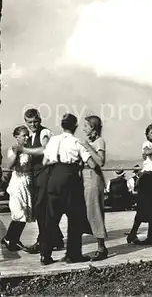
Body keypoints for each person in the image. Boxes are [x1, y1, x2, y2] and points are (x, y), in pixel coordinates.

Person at [40, 113, 97, 265]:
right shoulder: (77, 141)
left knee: (51, 218)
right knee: (75, 218)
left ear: (62, 125)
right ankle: (73, 254)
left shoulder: (53, 140)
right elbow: (92, 164)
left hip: (54, 177)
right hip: (70, 178)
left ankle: (45, 255)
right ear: (75, 126)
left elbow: (45, 161)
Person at [19, 108, 64, 254]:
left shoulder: (44, 133)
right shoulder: (30, 136)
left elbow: (45, 149)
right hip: (36, 175)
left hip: (47, 174)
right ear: (26, 122)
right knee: (42, 209)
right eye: (30, 122)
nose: (33, 124)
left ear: (40, 120)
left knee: (40, 208)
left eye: (35, 121)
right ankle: (55, 239)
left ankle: (42, 241)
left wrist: (25, 151)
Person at [126, 124, 152, 245]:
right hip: (147, 179)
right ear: (147, 135)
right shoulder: (147, 144)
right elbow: (147, 152)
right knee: (144, 208)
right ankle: (133, 234)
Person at [79, 115, 108, 261]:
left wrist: (88, 148)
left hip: (94, 179)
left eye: (86, 126)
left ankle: (102, 248)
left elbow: (100, 162)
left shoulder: (99, 141)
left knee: (95, 212)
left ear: (93, 127)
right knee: (87, 213)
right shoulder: (89, 141)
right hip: (84, 179)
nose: (83, 128)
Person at [1, 126, 34, 252]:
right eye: (23, 135)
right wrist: (17, 152)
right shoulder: (13, 149)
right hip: (18, 183)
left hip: (28, 183)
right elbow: (9, 165)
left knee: (25, 213)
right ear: (17, 137)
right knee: (19, 213)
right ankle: (11, 239)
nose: (26, 137)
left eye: (27, 135)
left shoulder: (30, 149)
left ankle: (11, 238)